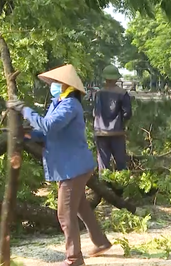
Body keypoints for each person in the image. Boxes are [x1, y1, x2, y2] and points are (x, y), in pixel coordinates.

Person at [7, 64, 111, 266]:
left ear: (66, 85)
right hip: (69, 165)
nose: (53, 85)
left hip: (72, 167)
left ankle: (74, 259)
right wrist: (28, 134)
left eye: (56, 83)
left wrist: (24, 109)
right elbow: (46, 132)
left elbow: (48, 125)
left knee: (64, 214)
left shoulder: (70, 105)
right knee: (80, 208)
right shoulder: (58, 103)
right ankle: (101, 242)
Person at [93, 65, 132, 173]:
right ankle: (122, 186)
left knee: (103, 165)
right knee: (121, 164)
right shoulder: (122, 93)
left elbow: (95, 112)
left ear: (105, 78)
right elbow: (127, 113)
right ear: (116, 78)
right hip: (117, 133)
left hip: (100, 132)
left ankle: (104, 187)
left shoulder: (98, 93)